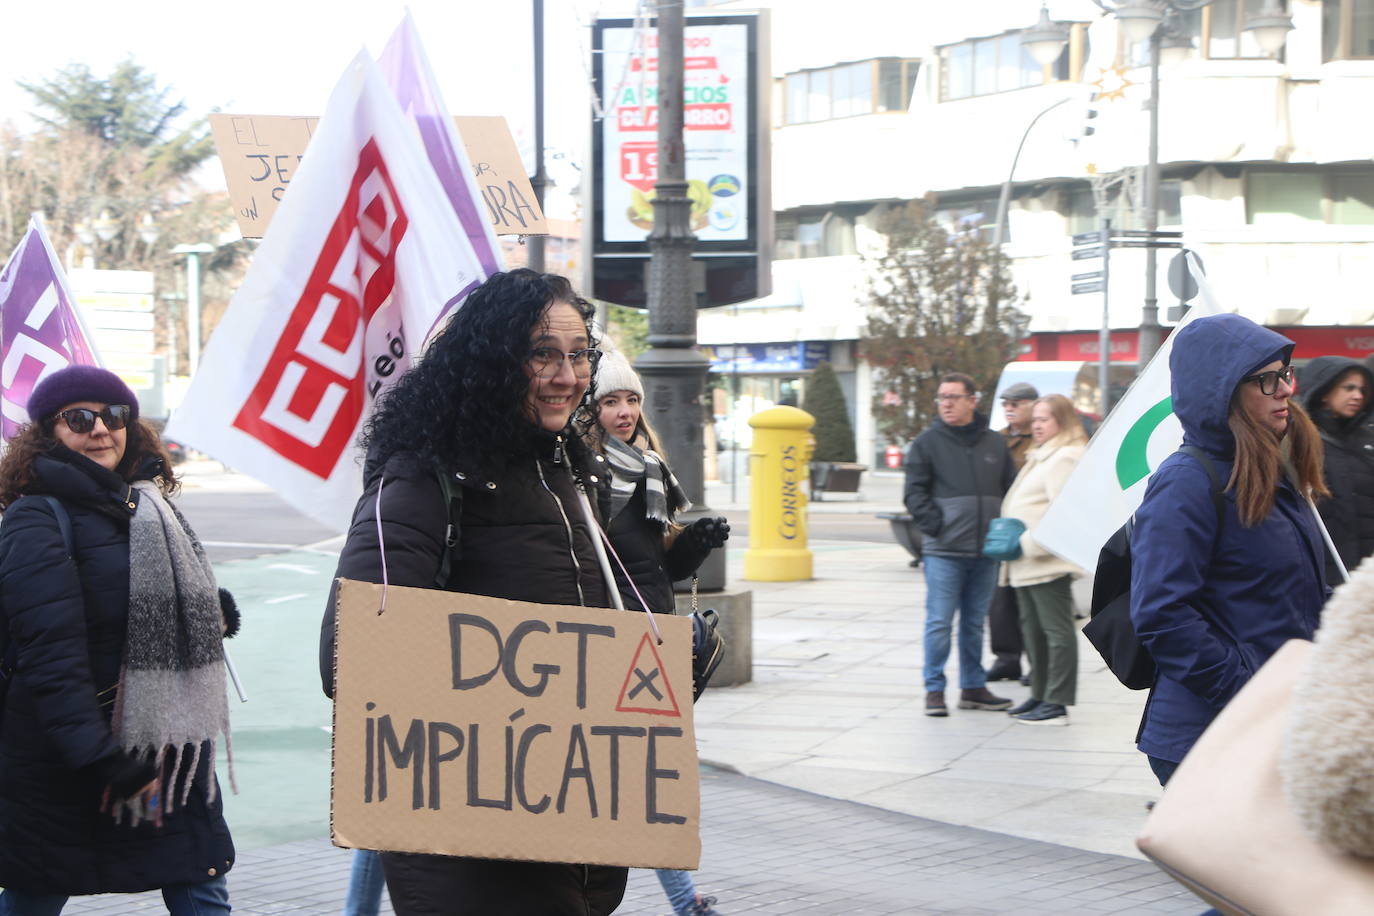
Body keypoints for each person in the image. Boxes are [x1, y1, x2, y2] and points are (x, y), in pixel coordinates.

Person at [318, 269, 627, 916]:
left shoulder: (569, 470)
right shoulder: (424, 478)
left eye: (579, 355)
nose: (568, 376)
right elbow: (349, 653)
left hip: (570, 812)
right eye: (543, 353)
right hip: (465, 828)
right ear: (492, 362)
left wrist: (662, 664)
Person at [0, 366, 238, 915]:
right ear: (48, 432)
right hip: (71, 757)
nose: (101, 429)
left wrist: (207, 612)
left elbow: (141, 601)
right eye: (79, 418)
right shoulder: (38, 517)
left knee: (199, 886)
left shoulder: (148, 504)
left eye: (115, 416)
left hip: (168, 744)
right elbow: (49, 655)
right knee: (36, 893)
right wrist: (103, 759)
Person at [1130, 313, 1328, 787]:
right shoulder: (1189, 481)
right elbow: (1162, 613)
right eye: (1265, 380)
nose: (1285, 390)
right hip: (1211, 734)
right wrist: (1247, 688)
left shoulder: (1271, 471)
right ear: (1222, 391)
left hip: (1274, 723)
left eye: (1284, 374)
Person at [591, 351, 727, 916]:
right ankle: (683, 900)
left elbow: (659, 564)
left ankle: (683, 899)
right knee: (639, 776)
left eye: (631, 399)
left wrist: (695, 542)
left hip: (652, 631)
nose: (624, 411)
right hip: (607, 640)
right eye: (609, 400)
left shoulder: (648, 467)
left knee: (639, 775)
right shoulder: (582, 475)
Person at [904, 372, 1017, 717]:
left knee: (972, 623)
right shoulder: (927, 443)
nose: (947, 403)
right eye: (942, 398)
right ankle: (934, 690)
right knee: (939, 622)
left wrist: (1003, 530)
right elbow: (913, 494)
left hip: (986, 551)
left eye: (954, 396)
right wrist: (939, 527)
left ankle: (972, 688)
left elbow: (1011, 489)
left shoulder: (995, 444)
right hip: (945, 551)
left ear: (972, 400)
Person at [999, 394, 1087, 726]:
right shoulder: (1045, 455)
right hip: (1025, 562)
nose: (1036, 426)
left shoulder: (1065, 456)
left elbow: (1062, 512)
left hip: (1043, 560)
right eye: (1034, 420)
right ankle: (1039, 693)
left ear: (1062, 421)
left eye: (1044, 420)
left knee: (1056, 631)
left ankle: (1057, 702)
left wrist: (1027, 543)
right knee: (1033, 631)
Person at [1298, 356, 1374, 584]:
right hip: (1323, 573)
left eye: (1362, 389)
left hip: (1366, 574)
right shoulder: (1299, 441)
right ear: (1324, 390)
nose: (1357, 395)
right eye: (1348, 388)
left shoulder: (1368, 441)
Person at [986, 381, 1038, 683]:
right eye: (1005, 404)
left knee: (1034, 603)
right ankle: (1006, 659)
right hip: (1003, 530)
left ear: (1033, 404)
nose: (1009, 408)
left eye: (1016, 403)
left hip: (1033, 531)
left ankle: (1037, 662)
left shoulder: (1045, 438)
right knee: (1001, 601)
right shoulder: (997, 440)